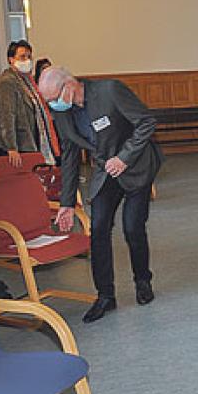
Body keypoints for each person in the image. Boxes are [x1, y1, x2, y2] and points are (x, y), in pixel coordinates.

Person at [37, 67, 164, 324]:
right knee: (98, 228)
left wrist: (124, 157)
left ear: (69, 85)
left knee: (133, 227)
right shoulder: (62, 112)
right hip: (106, 171)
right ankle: (105, 296)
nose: (52, 105)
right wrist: (66, 203)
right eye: (48, 101)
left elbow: (146, 122)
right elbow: (70, 154)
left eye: (53, 99)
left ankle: (143, 281)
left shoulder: (110, 91)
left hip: (136, 165)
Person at [0, 40, 58, 166]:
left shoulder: (26, 80)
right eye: (22, 57)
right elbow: (6, 116)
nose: (27, 60)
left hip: (30, 141)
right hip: (19, 147)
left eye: (29, 57)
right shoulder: (7, 82)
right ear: (11, 59)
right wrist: (11, 147)